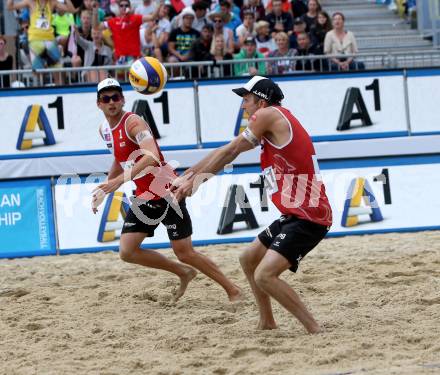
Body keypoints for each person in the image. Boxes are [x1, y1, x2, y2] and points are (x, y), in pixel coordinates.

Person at [173, 76, 332, 333]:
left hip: (309, 216)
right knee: (248, 259)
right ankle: (267, 322)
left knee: (264, 275)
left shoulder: (268, 114)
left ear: (261, 100)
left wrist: (195, 182)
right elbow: (226, 150)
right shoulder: (273, 119)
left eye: (246, 99)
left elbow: (230, 151)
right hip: (295, 213)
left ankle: (315, 328)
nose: (243, 106)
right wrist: (187, 176)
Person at [93, 78, 242, 302]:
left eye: (116, 97)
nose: (112, 102)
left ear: (123, 100)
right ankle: (183, 272)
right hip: (144, 196)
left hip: (166, 192)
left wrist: (118, 182)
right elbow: (119, 157)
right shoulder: (105, 129)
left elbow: (152, 156)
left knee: (185, 253)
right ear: (99, 104)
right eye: (106, 98)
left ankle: (233, 290)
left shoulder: (133, 123)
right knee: (127, 251)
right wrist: (106, 187)